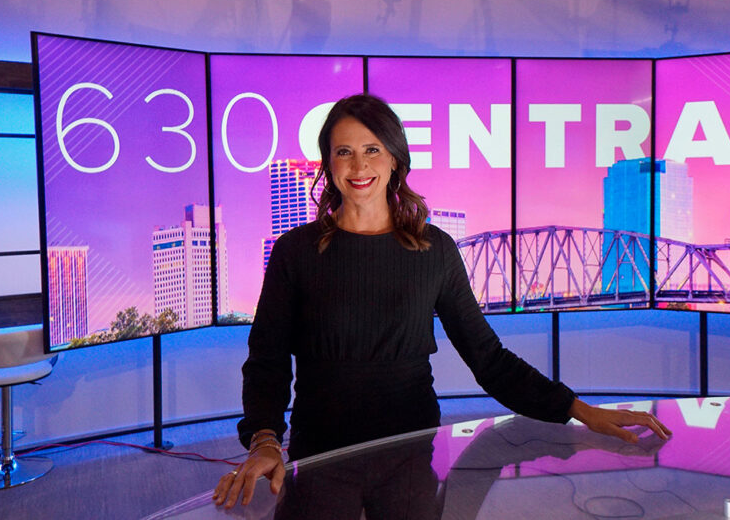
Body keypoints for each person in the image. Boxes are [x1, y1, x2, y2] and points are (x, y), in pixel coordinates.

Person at [213, 94, 671, 512]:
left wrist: (582, 411)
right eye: (344, 151)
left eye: (372, 149)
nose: (358, 165)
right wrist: (265, 439)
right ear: (328, 163)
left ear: (395, 158)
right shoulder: (296, 251)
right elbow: (267, 362)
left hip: (408, 453)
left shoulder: (434, 250)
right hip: (320, 456)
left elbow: (489, 360)